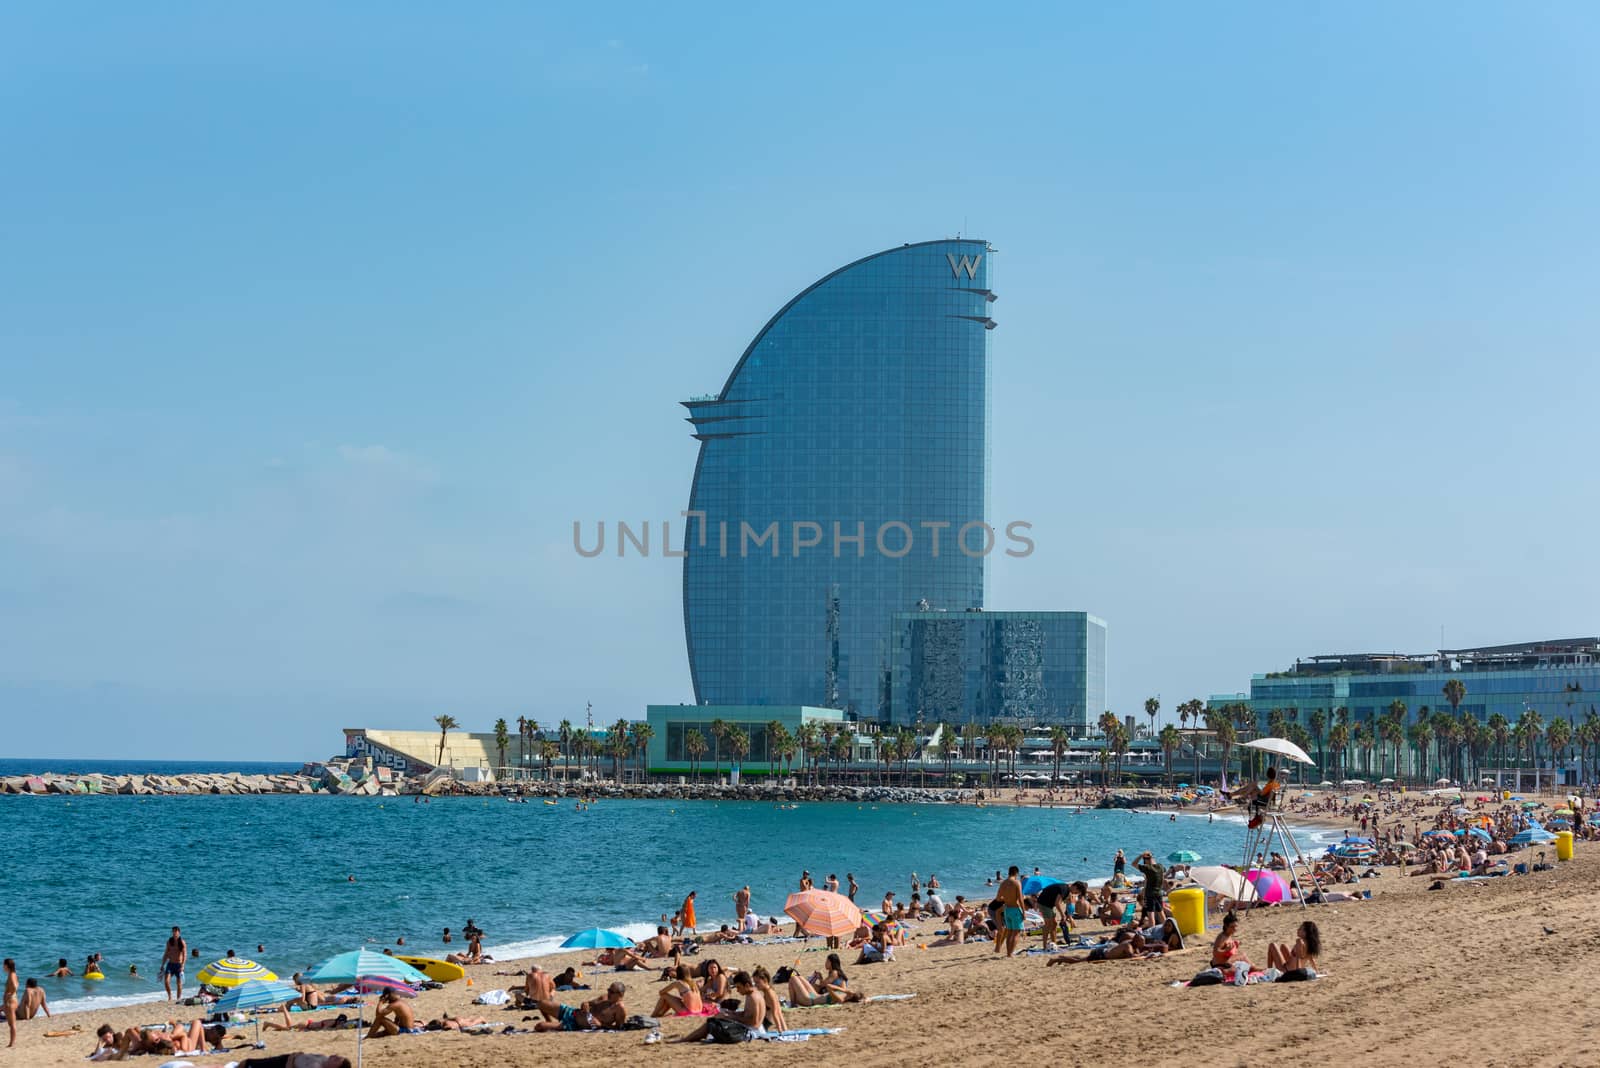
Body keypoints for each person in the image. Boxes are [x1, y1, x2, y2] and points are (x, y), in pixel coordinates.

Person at [673, 971, 762, 1044]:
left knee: (712, 1023)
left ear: (746, 985)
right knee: (718, 1016)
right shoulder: (752, 994)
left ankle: (685, 1039)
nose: (738, 991)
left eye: (739, 987)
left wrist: (730, 1017)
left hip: (750, 1031)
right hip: (748, 1027)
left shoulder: (753, 998)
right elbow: (747, 1014)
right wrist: (732, 1013)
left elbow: (754, 1022)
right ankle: (690, 1037)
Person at [531, 982, 628, 1032]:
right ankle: (550, 1022)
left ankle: (552, 1025)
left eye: (611, 992)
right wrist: (585, 1005)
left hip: (575, 1024)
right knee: (541, 1003)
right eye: (608, 990)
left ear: (620, 994)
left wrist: (600, 1025)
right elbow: (586, 1003)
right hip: (573, 1012)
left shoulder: (620, 1008)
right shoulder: (604, 997)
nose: (608, 993)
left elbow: (618, 1028)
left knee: (539, 1026)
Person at [787, 953, 864, 1005]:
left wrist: (846, 991)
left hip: (809, 1000)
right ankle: (794, 1002)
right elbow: (863, 998)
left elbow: (828, 986)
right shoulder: (843, 994)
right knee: (799, 977)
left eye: (827, 961)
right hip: (814, 995)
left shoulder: (841, 999)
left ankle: (793, 1004)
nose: (852, 991)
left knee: (793, 978)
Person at [996, 866, 1025, 958]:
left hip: (1007, 910)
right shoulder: (1017, 883)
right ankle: (1011, 953)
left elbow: (998, 898)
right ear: (1016, 873)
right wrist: (1024, 912)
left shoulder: (1003, 883)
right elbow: (1020, 899)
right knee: (1016, 933)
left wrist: (1006, 898)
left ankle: (1008, 953)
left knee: (1010, 932)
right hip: (1015, 909)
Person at [1135, 852, 1167, 927]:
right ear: (1152, 858)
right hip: (1159, 893)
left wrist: (1140, 855)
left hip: (1150, 894)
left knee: (1151, 916)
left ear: (1145, 860)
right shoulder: (1160, 866)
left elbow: (1134, 863)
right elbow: (1163, 877)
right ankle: (1167, 930)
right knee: (1161, 913)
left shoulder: (1147, 868)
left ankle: (1153, 933)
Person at [161, 926, 187, 1002]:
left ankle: (178, 998)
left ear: (179, 932)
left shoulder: (182, 942)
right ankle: (169, 996)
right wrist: (162, 964)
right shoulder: (169, 941)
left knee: (179, 983)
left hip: (178, 965)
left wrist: (183, 965)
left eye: (176, 932)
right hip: (170, 964)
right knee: (166, 981)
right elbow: (166, 953)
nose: (174, 933)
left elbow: (185, 955)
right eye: (173, 932)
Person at [3, 959, 16, 1048]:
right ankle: (11, 1042)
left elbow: (15, 986)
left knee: (12, 1024)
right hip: (12, 1000)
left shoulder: (11, 975)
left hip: (10, 1001)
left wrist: (10, 994)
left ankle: (11, 1043)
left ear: (7, 966)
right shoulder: (13, 974)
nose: (2, 966)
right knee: (11, 1024)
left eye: (3, 965)